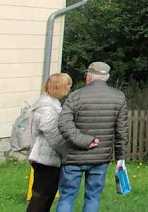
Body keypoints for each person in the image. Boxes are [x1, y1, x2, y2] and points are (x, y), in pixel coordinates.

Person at [56, 62, 128, 212]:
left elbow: (63, 124)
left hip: (73, 157)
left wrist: (83, 141)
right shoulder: (118, 97)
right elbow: (121, 132)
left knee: (67, 197)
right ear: (106, 77)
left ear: (89, 75)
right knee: (93, 198)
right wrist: (120, 158)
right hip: (100, 158)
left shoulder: (75, 96)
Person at [26, 73, 72, 212]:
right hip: (45, 157)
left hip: (48, 156)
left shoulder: (50, 103)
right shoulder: (47, 106)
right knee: (41, 195)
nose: (70, 87)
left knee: (47, 194)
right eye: (68, 85)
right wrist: (66, 152)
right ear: (59, 86)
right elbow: (52, 133)